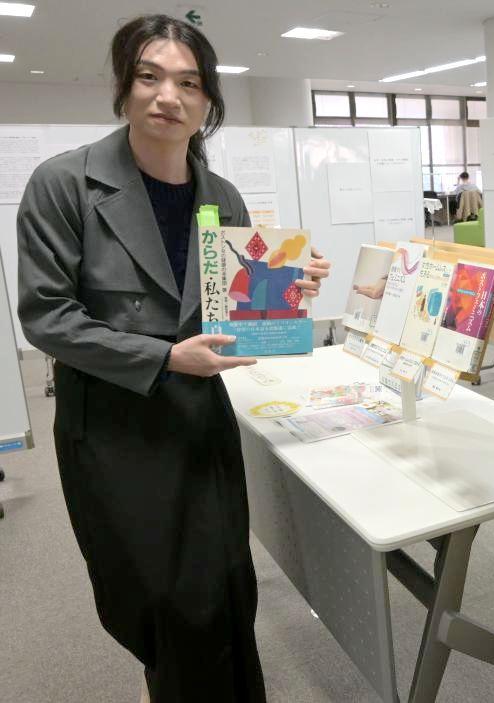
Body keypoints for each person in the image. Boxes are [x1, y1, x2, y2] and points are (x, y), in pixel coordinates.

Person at [16, 15, 330, 703]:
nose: (168, 96)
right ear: (124, 87)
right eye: (149, 76)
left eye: (189, 83)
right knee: (156, 594)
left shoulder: (222, 197)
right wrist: (163, 357)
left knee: (225, 582)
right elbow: (46, 316)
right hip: (113, 423)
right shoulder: (64, 184)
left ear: (208, 100)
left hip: (200, 417)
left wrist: (288, 290)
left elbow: (234, 309)